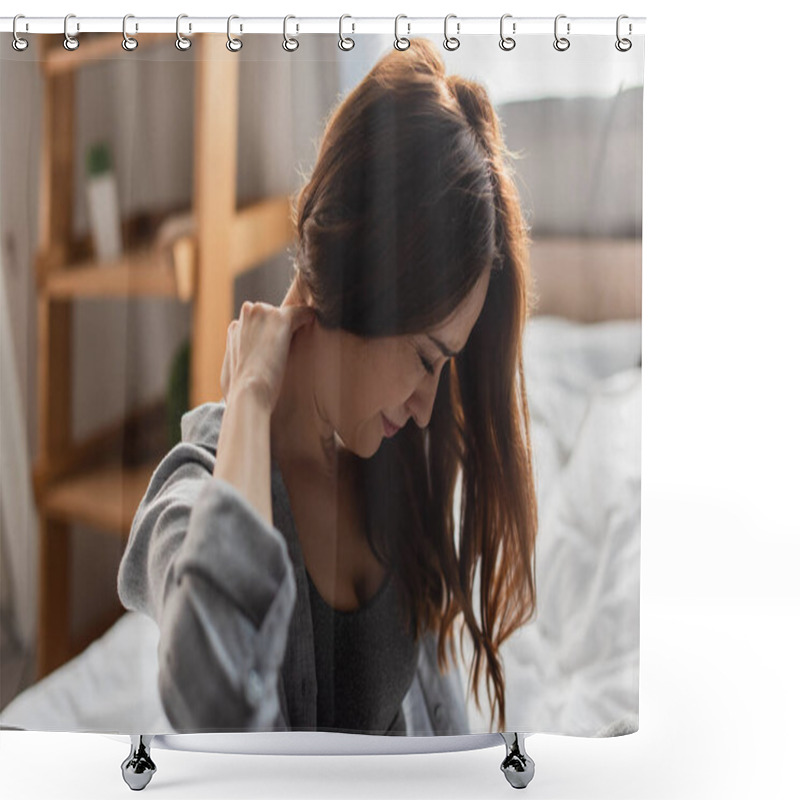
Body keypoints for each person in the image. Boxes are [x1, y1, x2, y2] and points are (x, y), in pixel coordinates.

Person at [118, 38, 538, 736]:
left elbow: (438, 722)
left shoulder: (399, 467)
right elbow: (213, 702)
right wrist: (249, 398)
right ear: (356, 282)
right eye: (426, 358)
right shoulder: (190, 490)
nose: (429, 404)